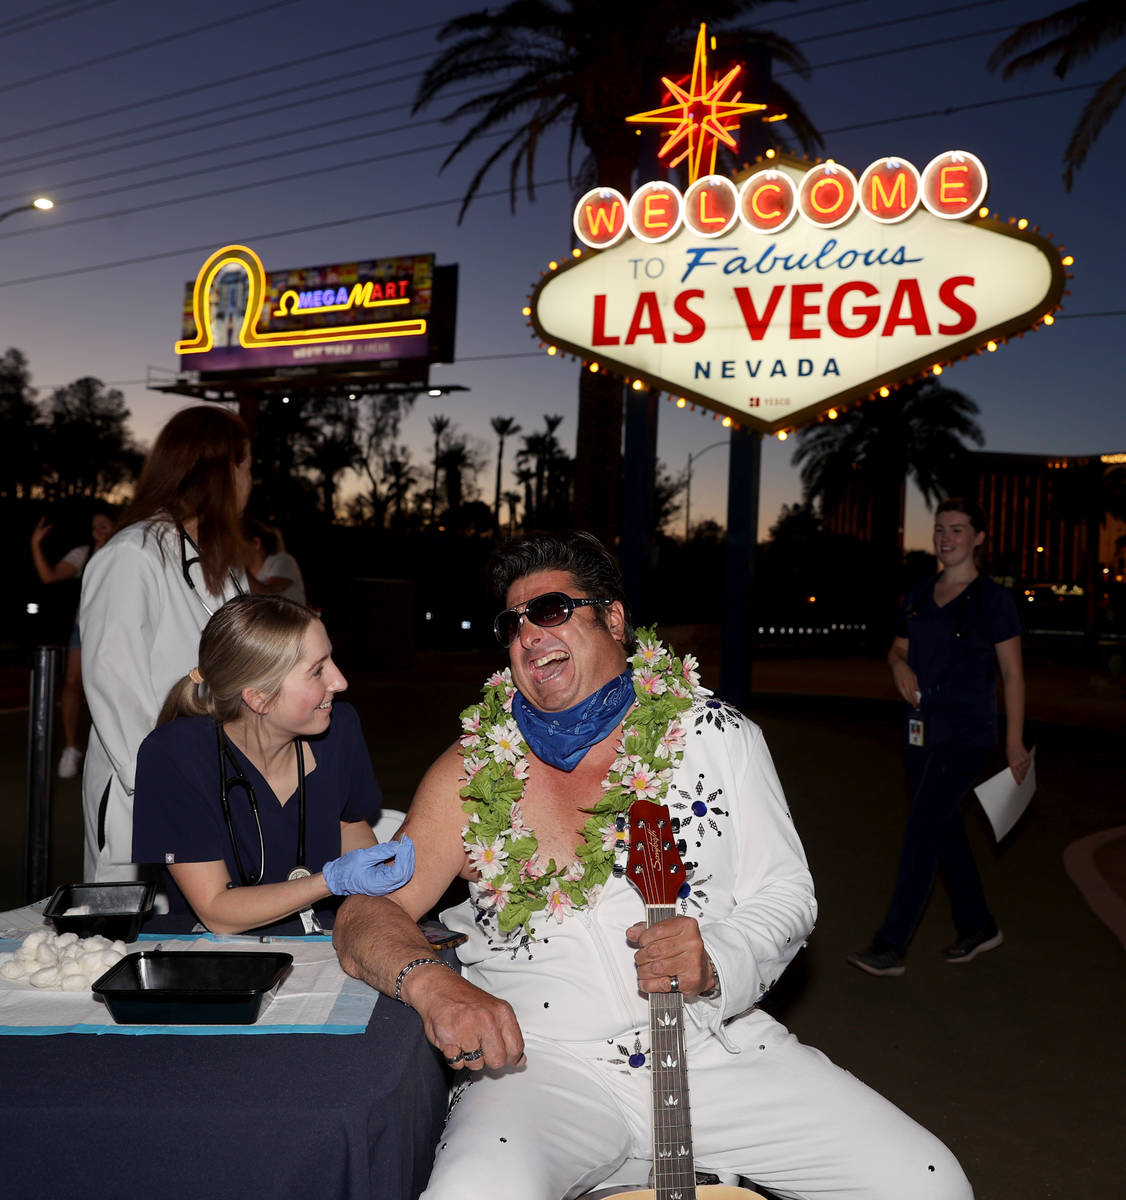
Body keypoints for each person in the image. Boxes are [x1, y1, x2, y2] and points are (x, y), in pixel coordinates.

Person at [334, 531, 972, 1200]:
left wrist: (717, 959)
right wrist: (434, 986)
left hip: (712, 1046)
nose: (528, 635)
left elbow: (787, 893)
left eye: (550, 609)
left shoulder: (715, 735)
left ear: (613, 619)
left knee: (927, 1185)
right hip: (540, 1066)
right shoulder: (472, 769)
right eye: (512, 623)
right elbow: (367, 911)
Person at [133, 595, 413, 935]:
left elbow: (348, 823)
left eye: (331, 660)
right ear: (259, 698)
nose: (340, 682)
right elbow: (217, 911)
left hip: (324, 939)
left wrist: (375, 882)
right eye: (317, 671)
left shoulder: (339, 729)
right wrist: (330, 881)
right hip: (221, 951)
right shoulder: (175, 756)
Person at [848, 498, 1030, 978]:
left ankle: (891, 945)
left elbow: (1013, 675)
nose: (946, 538)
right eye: (940, 529)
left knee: (922, 828)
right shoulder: (919, 594)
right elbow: (897, 649)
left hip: (968, 734)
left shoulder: (994, 600)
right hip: (919, 732)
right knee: (944, 828)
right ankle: (979, 926)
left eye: (958, 529)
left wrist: (1013, 743)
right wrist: (898, 665)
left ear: (979, 538)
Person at [80, 405, 254, 882]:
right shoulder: (132, 555)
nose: (250, 481)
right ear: (223, 471)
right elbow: (116, 695)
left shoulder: (225, 565)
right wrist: (176, 791)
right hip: (150, 795)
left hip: (216, 785)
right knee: (144, 921)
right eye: (247, 467)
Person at [29, 505, 115, 778]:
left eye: (104, 526)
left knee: (111, 687)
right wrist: (35, 544)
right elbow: (48, 576)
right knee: (72, 682)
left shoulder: (127, 551)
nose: (98, 532)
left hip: (116, 629)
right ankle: (70, 749)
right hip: (84, 627)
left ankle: (114, 750)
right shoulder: (85, 554)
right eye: (94, 527)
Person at [246, 518, 308, 604]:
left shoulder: (282, 560)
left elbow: (267, 595)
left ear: (256, 543)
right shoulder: (248, 571)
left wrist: (242, 571)